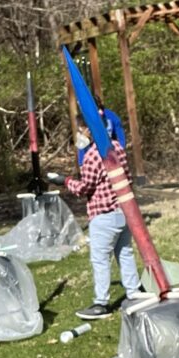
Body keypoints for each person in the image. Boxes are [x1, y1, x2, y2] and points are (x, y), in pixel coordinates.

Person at [50, 117, 144, 320]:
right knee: (124, 253)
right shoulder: (117, 147)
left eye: (81, 129)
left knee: (100, 260)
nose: (80, 133)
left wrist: (64, 181)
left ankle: (101, 303)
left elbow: (85, 187)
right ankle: (134, 292)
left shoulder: (93, 155)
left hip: (104, 215)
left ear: (89, 129)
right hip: (124, 211)